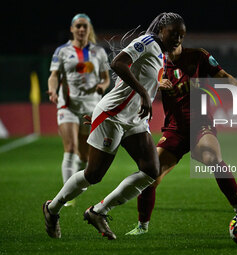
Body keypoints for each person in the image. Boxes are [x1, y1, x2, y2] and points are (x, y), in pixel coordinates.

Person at [42, 12, 186, 240]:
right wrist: (143, 93)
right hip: (113, 115)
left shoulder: (161, 54)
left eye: (182, 35)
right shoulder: (146, 42)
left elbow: (141, 77)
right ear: (161, 30)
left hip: (135, 119)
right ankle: (52, 208)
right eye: (174, 33)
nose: (178, 39)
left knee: (151, 170)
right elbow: (118, 63)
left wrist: (154, 88)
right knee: (94, 174)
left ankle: (98, 211)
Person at [125, 44, 237, 235]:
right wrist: (156, 84)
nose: (174, 43)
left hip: (201, 124)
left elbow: (224, 76)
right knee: (150, 175)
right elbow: (137, 89)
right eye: (169, 38)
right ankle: (142, 227)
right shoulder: (156, 64)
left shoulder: (198, 56)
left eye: (177, 37)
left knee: (213, 156)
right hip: (174, 130)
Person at [47, 13, 110, 206]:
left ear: (89, 29)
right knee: (71, 149)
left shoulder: (99, 52)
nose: (81, 29)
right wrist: (52, 90)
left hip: (91, 106)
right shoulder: (62, 51)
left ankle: (73, 189)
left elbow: (106, 78)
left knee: (84, 156)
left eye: (85, 26)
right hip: (68, 105)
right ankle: (66, 198)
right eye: (78, 26)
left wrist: (102, 86)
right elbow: (54, 75)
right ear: (72, 29)